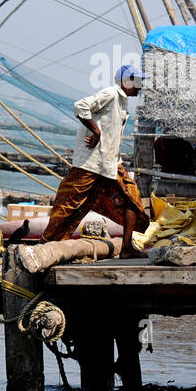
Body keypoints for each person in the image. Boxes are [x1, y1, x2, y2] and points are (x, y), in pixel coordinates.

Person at [42, 63, 150, 257]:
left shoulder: (123, 102)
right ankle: (45, 245)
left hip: (110, 163)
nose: (140, 86)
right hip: (90, 164)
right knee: (69, 206)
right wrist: (96, 131)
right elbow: (81, 106)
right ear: (127, 81)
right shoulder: (111, 93)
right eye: (137, 82)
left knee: (132, 200)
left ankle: (126, 248)